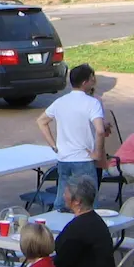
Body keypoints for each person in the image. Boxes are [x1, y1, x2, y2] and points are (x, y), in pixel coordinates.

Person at [37, 64, 106, 212]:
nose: (94, 81)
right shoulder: (92, 103)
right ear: (84, 82)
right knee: (88, 204)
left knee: (61, 201)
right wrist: (98, 154)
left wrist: (53, 145)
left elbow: (41, 121)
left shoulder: (60, 102)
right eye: (91, 79)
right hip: (84, 160)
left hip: (64, 159)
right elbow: (100, 130)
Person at [52, 178, 116, 267]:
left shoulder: (77, 228)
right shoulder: (96, 220)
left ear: (77, 201)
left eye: (66, 193)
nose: (63, 195)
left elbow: (62, 261)